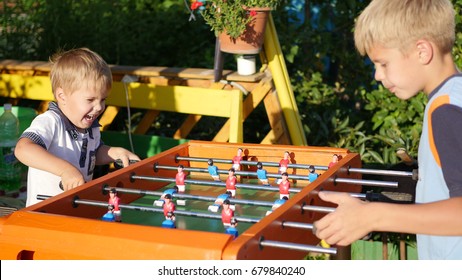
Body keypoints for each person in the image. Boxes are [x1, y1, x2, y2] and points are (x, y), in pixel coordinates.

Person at [313, 0, 462, 260]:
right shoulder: (452, 97)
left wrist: (372, 217)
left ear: (422, 51)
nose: (377, 76)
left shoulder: (446, 112)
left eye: (383, 63)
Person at [14, 48, 140, 207]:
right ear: (62, 96)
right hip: (45, 213)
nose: (99, 107)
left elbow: (91, 154)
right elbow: (23, 149)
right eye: (90, 100)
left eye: (103, 99)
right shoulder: (51, 121)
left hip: (76, 207)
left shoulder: (90, 127)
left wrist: (113, 152)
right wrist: (65, 170)